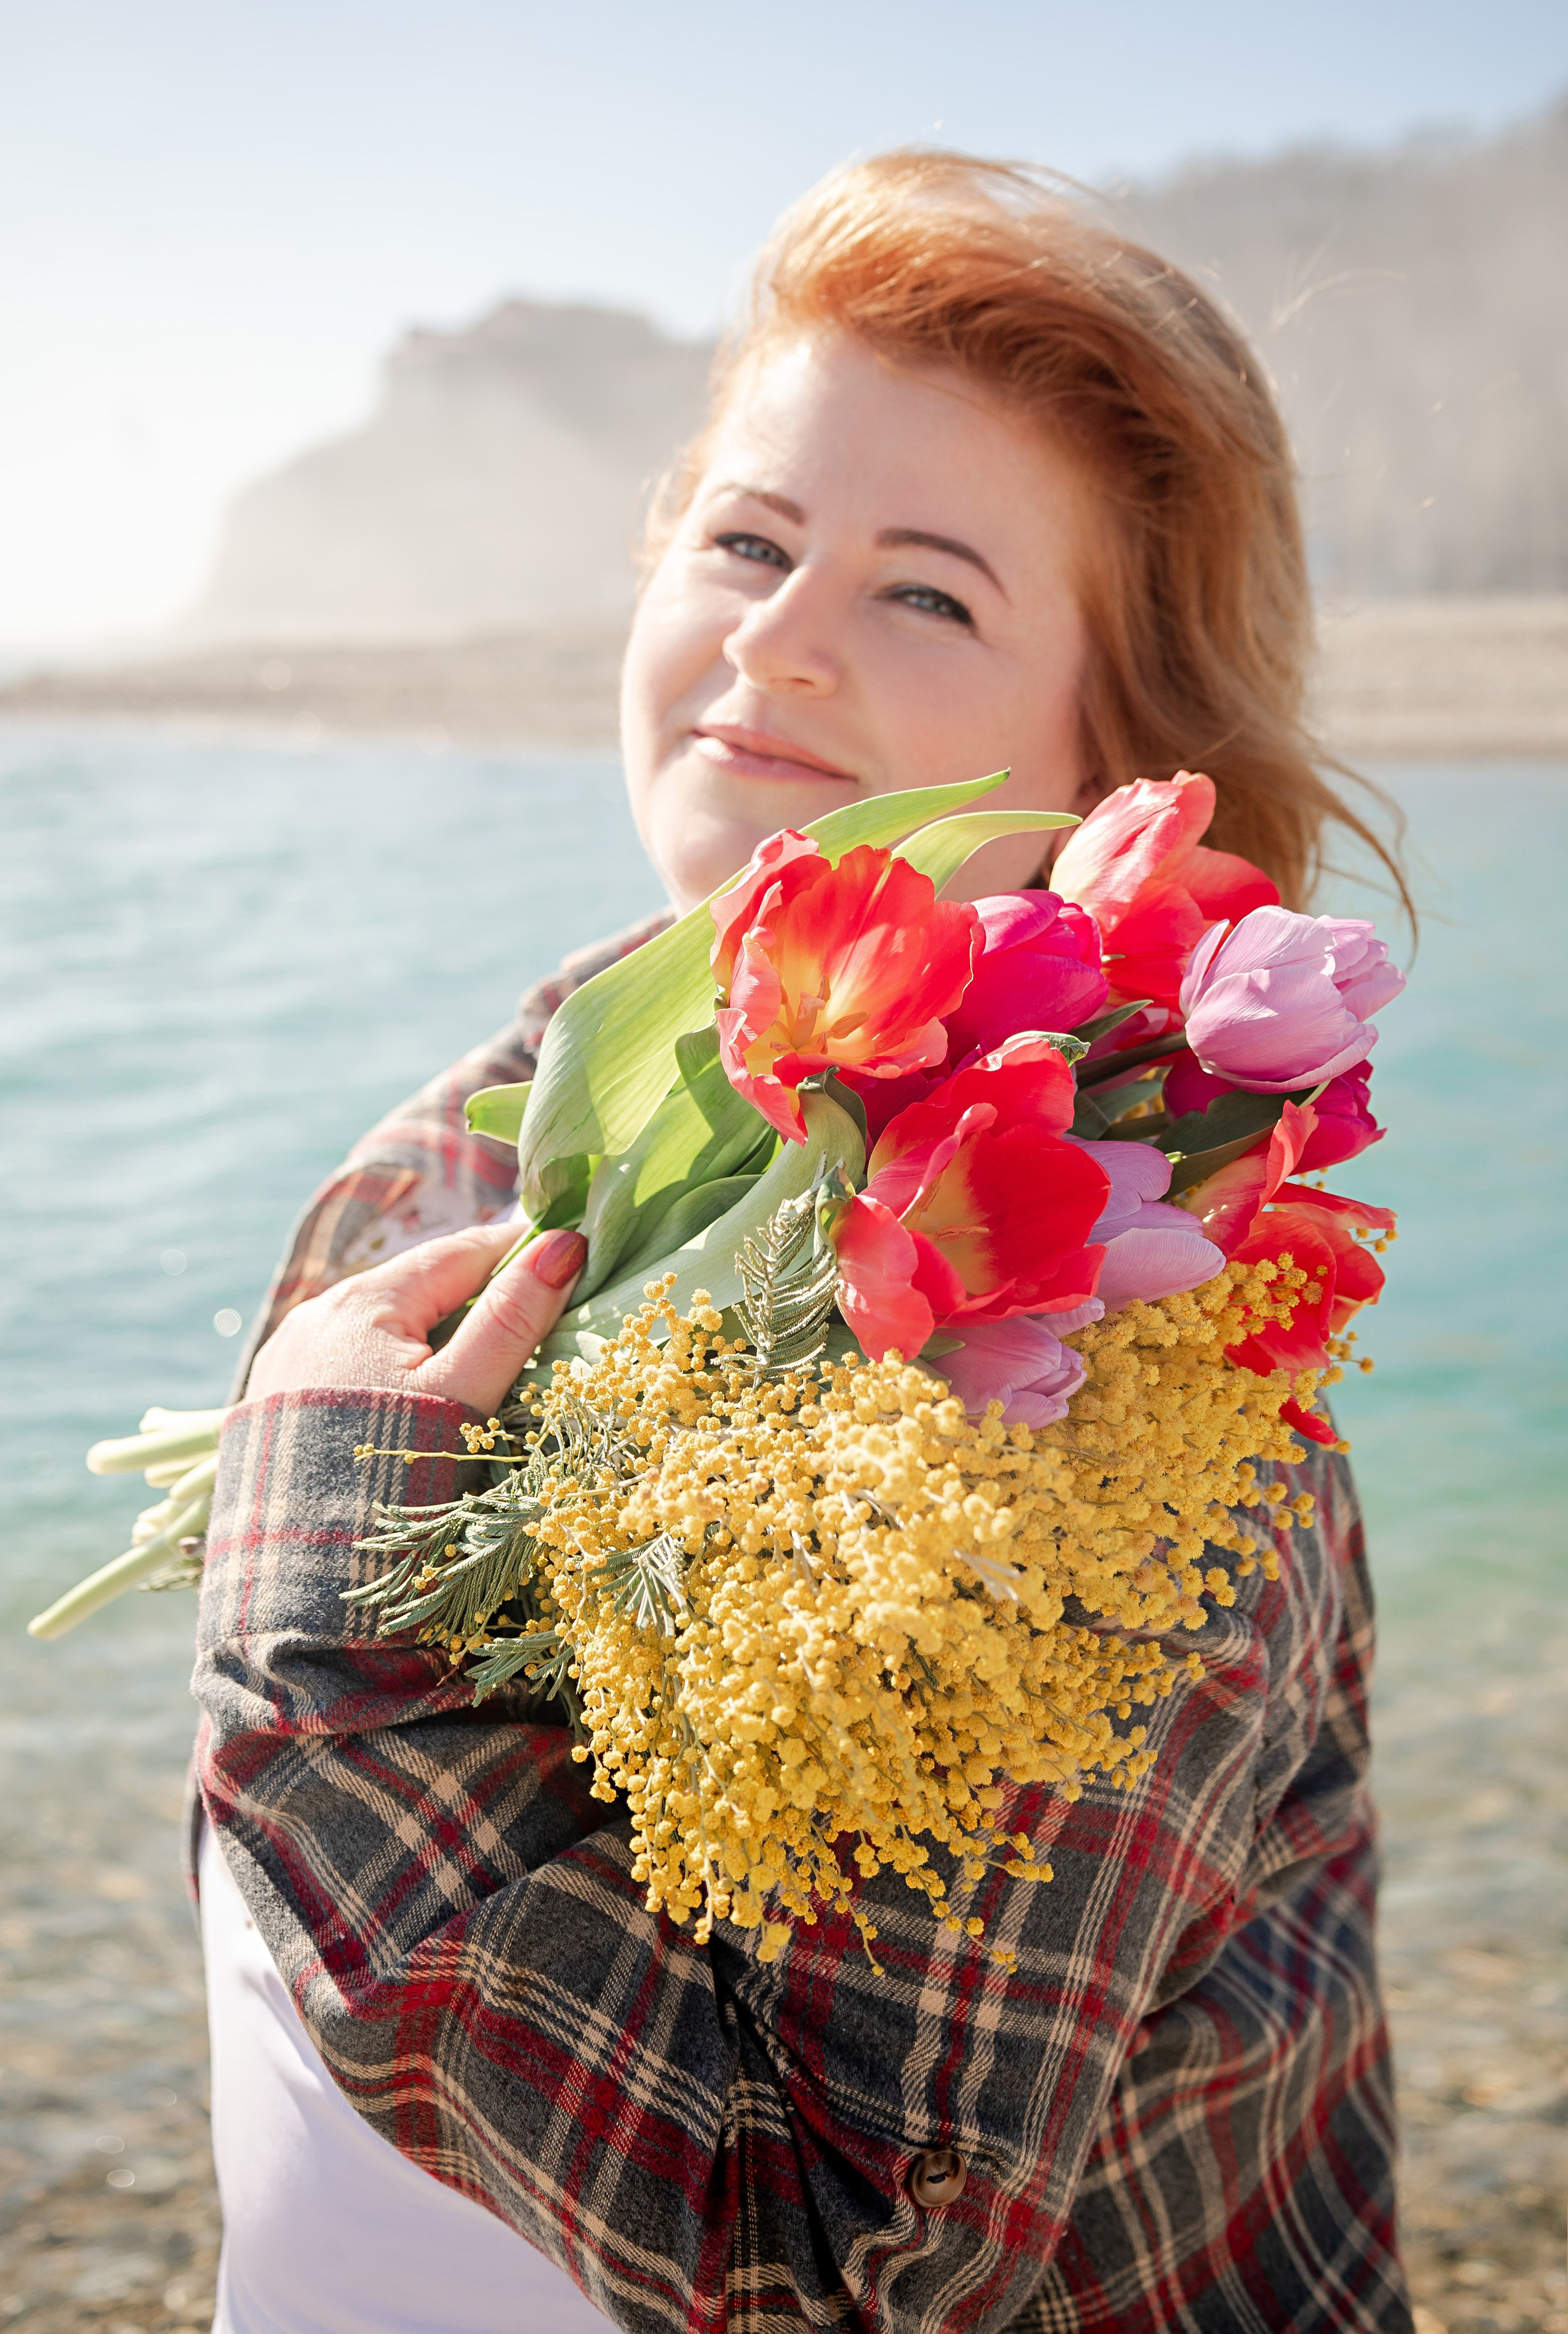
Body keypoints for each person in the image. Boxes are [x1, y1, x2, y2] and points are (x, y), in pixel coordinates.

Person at [191, 152, 1414, 2332]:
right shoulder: (476, 1139)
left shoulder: (1143, 1406)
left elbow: (833, 2261)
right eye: (747, 540)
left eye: (926, 593)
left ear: (1120, 770)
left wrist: (320, 1616)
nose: (774, 632)